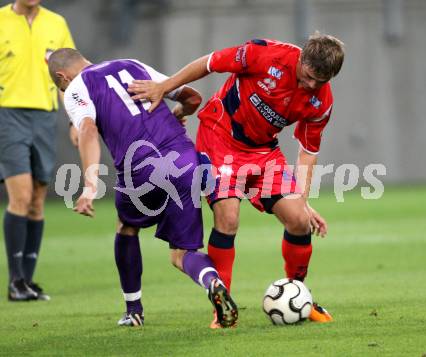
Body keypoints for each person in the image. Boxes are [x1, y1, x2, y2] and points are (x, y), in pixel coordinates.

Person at [127, 32, 345, 327]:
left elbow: (308, 152)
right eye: (308, 77)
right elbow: (209, 63)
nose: (312, 85)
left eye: (321, 81)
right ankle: (222, 307)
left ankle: (298, 294)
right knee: (228, 218)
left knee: (298, 219)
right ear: (302, 59)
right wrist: (163, 87)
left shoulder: (322, 101)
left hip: (263, 152)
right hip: (220, 138)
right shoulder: (263, 55)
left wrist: (302, 202)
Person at [47, 48, 238, 328]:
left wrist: (90, 184)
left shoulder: (77, 87)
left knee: (126, 227)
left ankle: (134, 310)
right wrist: (177, 113)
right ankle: (212, 281)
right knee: (182, 253)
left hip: (142, 167)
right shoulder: (132, 64)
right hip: (184, 160)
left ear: (62, 77)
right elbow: (192, 97)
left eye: (59, 84)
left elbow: (86, 130)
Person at [0, 0, 75, 301]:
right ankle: (15, 280)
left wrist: (74, 117)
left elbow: (67, 77)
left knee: (37, 200)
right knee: (20, 194)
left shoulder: (56, 23)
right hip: (9, 114)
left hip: (44, 117)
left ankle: (27, 281)